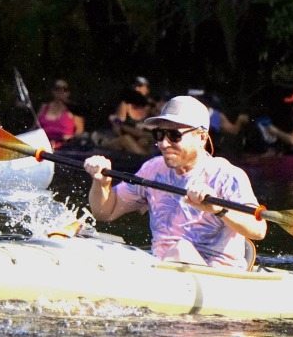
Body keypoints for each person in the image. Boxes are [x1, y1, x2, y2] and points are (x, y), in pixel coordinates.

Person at [83, 95, 267, 270]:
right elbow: (104, 212)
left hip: (215, 278)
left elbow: (258, 230)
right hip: (164, 267)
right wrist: (101, 183)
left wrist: (219, 209)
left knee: (180, 249)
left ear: (201, 137)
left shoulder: (227, 176)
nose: (163, 143)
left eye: (173, 135)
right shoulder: (153, 169)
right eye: (159, 134)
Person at [37, 79, 85, 149]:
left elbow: (79, 132)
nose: (60, 92)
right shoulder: (44, 107)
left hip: (64, 147)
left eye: (64, 89)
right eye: (57, 89)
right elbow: (35, 127)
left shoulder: (73, 109)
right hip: (42, 145)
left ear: (68, 92)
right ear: (53, 91)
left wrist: (70, 139)